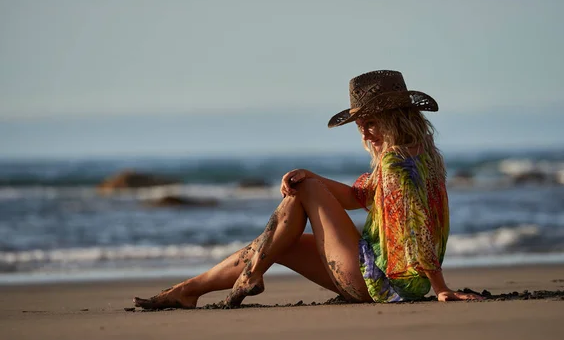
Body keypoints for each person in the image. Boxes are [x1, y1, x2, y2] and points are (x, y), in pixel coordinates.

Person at [133, 70, 482, 309]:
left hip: (381, 284)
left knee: (303, 192)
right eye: (361, 126)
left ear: (396, 118)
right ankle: (188, 290)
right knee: (273, 246)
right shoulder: (422, 157)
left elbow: (416, 229)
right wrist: (312, 175)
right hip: (389, 280)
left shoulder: (395, 165)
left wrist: (441, 289)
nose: (365, 134)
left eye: (371, 123)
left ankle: (249, 275)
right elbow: (357, 198)